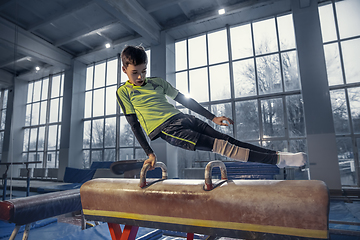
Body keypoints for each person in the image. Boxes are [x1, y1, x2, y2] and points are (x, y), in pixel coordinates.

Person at [116, 45, 307, 170]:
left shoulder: (157, 82)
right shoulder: (124, 92)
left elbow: (184, 99)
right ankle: (280, 161)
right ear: (124, 70)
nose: (140, 77)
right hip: (167, 129)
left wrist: (212, 117)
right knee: (223, 147)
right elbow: (134, 125)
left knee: (228, 139)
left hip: (183, 117)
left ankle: (279, 156)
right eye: (135, 73)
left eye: (143, 71)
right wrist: (149, 153)